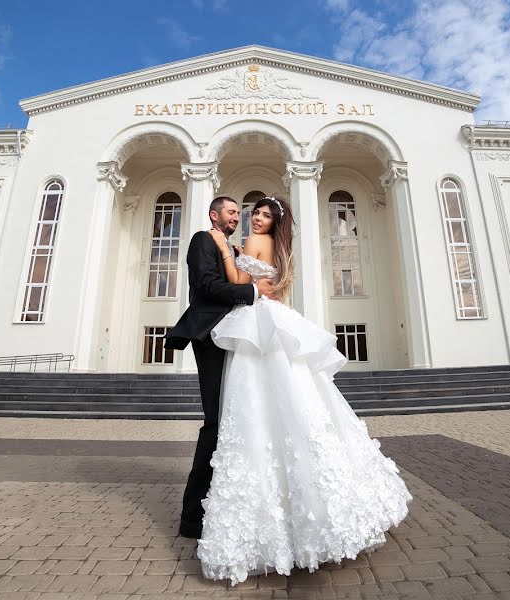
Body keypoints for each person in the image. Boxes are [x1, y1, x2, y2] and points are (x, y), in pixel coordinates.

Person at [196, 196, 412, 585]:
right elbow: (266, 286)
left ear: (273, 223)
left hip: (257, 320)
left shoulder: (252, 244)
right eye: (255, 214)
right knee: (288, 392)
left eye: (265, 216)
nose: (258, 220)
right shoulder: (275, 247)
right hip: (268, 316)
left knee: (260, 397)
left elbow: (239, 284)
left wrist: (226, 250)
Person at [164, 196, 275, 540]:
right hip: (211, 337)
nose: (236, 217)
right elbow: (208, 286)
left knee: (234, 420)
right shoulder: (202, 240)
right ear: (215, 215)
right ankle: (191, 517)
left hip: (233, 336)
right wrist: (253, 291)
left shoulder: (232, 246)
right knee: (214, 423)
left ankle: (224, 502)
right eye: (231, 212)